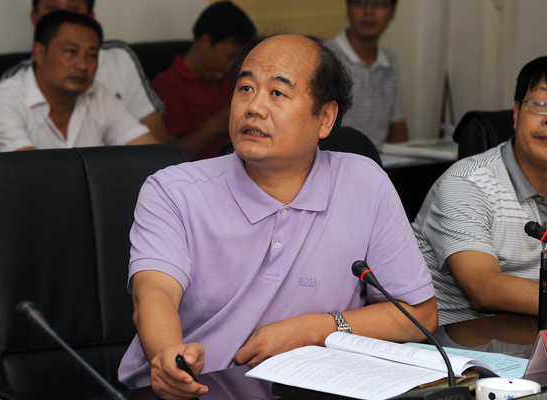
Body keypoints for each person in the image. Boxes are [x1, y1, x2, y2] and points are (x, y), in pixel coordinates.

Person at [118, 33, 437, 399]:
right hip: (195, 389)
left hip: (312, 389)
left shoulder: (364, 183)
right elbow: (154, 293)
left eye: (277, 93)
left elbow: (419, 315)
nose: (254, 107)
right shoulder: (173, 190)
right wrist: (168, 356)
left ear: (325, 118)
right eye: (245, 88)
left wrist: (314, 330)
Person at [0, 11, 159, 189]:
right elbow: (38, 177)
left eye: (92, 55)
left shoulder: (98, 96)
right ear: (39, 53)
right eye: (71, 52)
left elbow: (152, 156)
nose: (82, 65)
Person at [412, 56, 547, 326]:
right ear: (517, 112)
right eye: (541, 104)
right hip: (457, 343)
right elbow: (483, 287)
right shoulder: (466, 183)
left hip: (528, 337)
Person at [2, 0, 168, 142]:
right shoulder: (13, 86)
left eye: (73, 10)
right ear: (35, 18)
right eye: (52, 9)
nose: (81, 65)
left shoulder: (101, 90)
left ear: (91, 18)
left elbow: (155, 150)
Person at [152, 2, 256, 160]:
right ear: (205, 42)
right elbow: (166, 156)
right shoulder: (167, 85)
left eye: (237, 59)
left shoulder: (234, 77)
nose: (231, 65)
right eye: (228, 56)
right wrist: (214, 126)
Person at [327, 0, 407, 148]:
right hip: (336, 158)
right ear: (347, 7)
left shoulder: (390, 61)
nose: (369, 11)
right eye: (360, 2)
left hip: (380, 159)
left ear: (393, 11)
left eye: (379, 3)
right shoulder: (326, 58)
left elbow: (397, 128)